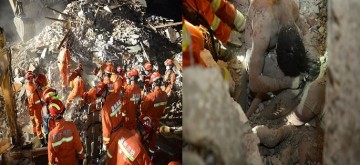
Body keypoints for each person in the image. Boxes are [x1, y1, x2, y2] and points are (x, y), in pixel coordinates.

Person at [245, 0, 311, 93]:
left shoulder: (292, 8)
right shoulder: (261, 31)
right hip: (258, 43)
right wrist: (287, 83)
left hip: (275, 28)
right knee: (270, 73)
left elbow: (299, 22)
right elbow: (254, 84)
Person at [47, 99, 85, 165]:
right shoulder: (71, 126)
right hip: (72, 162)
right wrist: (81, 157)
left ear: (52, 116)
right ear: (63, 111)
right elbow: (78, 145)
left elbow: (51, 155)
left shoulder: (51, 135)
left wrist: (51, 163)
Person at [140, 72, 168, 155]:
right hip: (157, 122)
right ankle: (151, 153)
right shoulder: (165, 95)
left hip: (148, 123)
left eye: (152, 83)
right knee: (153, 140)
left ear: (154, 83)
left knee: (143, 138)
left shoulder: (151, 96)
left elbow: (143, 110)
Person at [25, 71, 46, 146]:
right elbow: (31, 106)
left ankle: (45, 139)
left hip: (42, 111)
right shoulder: (33, 93)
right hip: (38, 112)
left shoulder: (40, 91)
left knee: (43, 124)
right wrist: (32, 117)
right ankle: (42, 141)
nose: (32, 80)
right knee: (39, 125)